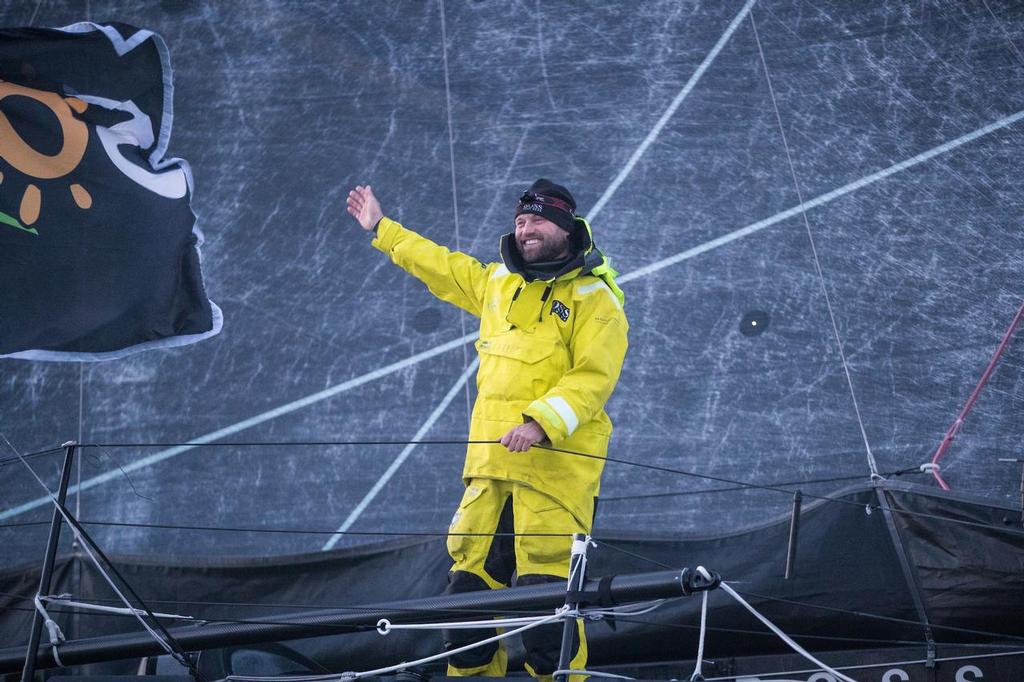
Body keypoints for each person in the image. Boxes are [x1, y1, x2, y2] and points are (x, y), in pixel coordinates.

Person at [346, 179, 628, 680]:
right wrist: (382, 229)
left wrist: (540, 423)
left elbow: (593, 378)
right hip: (489, 474)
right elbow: (442, 266)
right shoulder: (498, 283)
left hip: (554, 479)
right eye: (520, 221)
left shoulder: (595, 299)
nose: (525, 229)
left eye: (537, 220)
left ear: (564, 227)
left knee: (549, 612)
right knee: (466, 607)